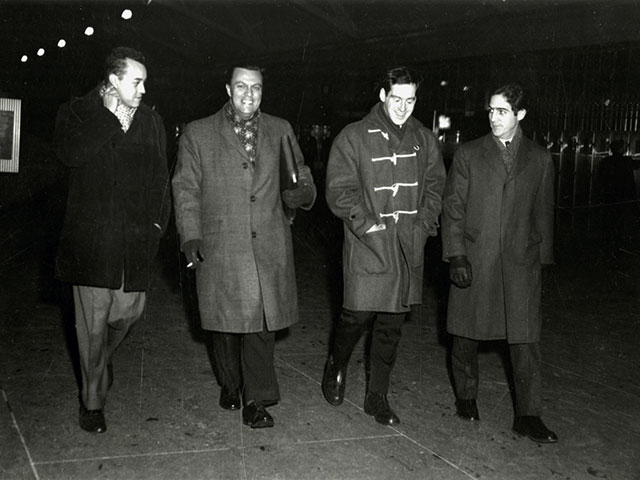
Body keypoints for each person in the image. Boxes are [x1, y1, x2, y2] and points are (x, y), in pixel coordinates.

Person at [172, 65, 316, 428]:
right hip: (221, 244)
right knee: (224, 326)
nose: (248, 95)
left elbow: (301, 173)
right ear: (227, 88)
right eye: (240, 86)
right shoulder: (198, 132)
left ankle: (257, 400)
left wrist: (304, 193)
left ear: (263, 92)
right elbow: (185, 187)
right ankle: (230, 383)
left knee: (260, 325)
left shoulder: (281, 129)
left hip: (268, 242)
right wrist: (190, 236)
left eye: (256, 88)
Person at [54, 46, 170, 433]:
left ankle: (98, 361)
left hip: (134, 242)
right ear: (113, 81)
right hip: (91, 242)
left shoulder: (151, 122)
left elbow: (160, 180)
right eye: (136, 82)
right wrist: (106, 116)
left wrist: (157, 227)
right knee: (91, 324)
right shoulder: (76, 112)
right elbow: (71, 154)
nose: (142, 91)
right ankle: (92, 402)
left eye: (144, 83)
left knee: (127, 314)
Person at [322, 66, 446, 425]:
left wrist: (423, 225)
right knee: (356, 314)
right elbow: (339, 191)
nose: (403, 108)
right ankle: (337, 363)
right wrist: (368, 224)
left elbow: (437, 187)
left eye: (410, 101)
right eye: (396, 99)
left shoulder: (424, 139)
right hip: (368, 244)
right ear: (382, 95)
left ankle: (377, 396)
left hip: (408, 246)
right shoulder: (354, 136)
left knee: (391, 326)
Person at [441, 83, 558, 443]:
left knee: (526, 340)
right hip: (476, 258)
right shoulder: (469, 154)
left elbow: (544, 213)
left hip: (522, 263)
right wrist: (456, 254)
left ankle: (528, 414)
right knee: (466, 333)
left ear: (520, 115)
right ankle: (466, 396)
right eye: (490, 110)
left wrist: (543, 262)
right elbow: (453, 209)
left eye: (502, 111)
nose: (493, 117)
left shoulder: (539, 158)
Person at [599, 139, 639, 254]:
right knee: (620, 222)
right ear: (621, 149)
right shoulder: (627, 161)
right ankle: (618, 245)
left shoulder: (605, 161)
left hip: (609, 197)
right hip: (624, 198)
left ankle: (608, 245)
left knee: (608, 222)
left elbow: (600, 179)